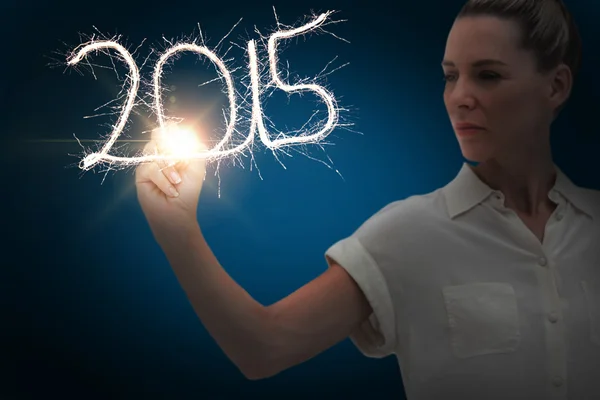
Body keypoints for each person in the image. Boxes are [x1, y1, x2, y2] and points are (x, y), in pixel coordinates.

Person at [135, 0, 600, 398]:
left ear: (555, 86)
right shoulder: (409, 233)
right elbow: (264, 347)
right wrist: (177, 231)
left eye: (488, 76)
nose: (459, 97)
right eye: (450, 76)